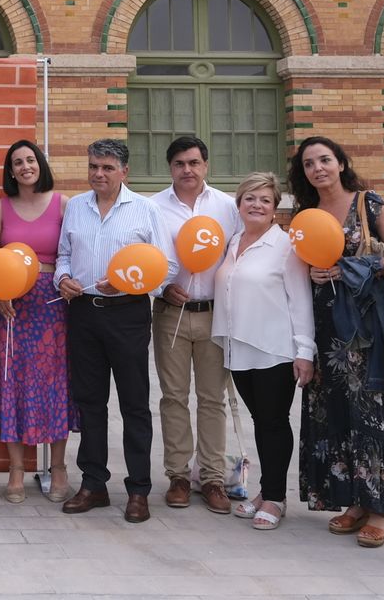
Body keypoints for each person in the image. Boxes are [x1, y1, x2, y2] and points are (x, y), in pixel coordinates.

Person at [289, 135, 384, 547]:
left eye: (325, 160)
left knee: (373, 409)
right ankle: (353, 500)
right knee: (335, 410)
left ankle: (382, 508)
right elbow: (299, 261)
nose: (318, 168)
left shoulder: (369, 204)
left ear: (341, 163)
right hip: (325, 325)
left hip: (366, 326)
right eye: (309, 163)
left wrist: (360, 266)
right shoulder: (305, 214)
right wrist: (311, 271)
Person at [55, 139, 175, 524]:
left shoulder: (145, 209)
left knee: (134, 404)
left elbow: (167, 266)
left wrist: (129, 284)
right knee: (90, 402)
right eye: (93, 166)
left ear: (125, 171)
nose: (99, 174)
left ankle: (138, 489)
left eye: (107, 167)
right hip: (83, 314)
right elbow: (63, 255)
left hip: (128, 314)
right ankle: (93, 484)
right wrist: (63, 278)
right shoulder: (76, 207)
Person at [210, 171, 316, 531]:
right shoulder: (233, 240)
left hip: (274, 349)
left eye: (265, 200)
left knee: (273, 422)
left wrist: (305, 351)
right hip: (238, 346)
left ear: (275, 208)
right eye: (250, 198)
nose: (257, 205)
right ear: (239, 204)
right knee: (261, 421)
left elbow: (300, 300)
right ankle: (266, 491)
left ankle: (275, 498)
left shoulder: (286, 246)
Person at [149, 136, 240, 514]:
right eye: (179, 163)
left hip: (216, 314)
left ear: (206, 166)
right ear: (170, 168)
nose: (187, 170)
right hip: (171, 313)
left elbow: (239, 254)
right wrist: (161, 287)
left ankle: (214, 477)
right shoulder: (153, 207)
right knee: (173, 397)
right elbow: (145, 257)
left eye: (194, 163)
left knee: (212, 398)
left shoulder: (228, 206)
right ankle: (178, 476)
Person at [0, 139, 74, 504]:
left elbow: (71, 254)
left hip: (52, 306)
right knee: (13, 382)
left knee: (55, 382)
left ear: (41, 164)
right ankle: (16, 469)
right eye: (17, 162)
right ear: (11, 170)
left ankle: (59, 467)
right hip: (11, 307)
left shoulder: (63, 204)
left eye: (30, 160)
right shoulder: (0, 208)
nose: (25, 167)